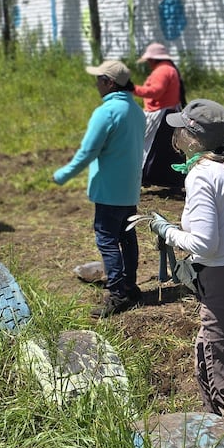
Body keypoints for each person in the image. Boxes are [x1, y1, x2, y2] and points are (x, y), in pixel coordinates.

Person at [135, 99, 224, 437]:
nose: (175, 132)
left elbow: (205, 244)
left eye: (180, 127)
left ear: (191, 138)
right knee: (207, 362)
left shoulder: (200, 175)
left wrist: (165, 230)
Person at [53, 59, 145, 318]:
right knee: (127, 237)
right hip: (129, 188)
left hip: (109, 189)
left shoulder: (106, 112)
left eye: (98, 79)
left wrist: (63, 174)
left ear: (109, 82)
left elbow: (88, 150)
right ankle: (130, 286)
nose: (95, 84)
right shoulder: (136, 111)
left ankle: (117, 293)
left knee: (106, 239)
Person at [133, 41, 186, 192]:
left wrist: (133, 89)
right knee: (168, 150)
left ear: (153, 59)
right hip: (169, 113)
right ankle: (173, 181)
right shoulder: (169, 69)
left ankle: (141, 179)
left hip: (160, 115)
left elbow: (156, 91)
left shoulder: (162, 71)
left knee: (148, 148)